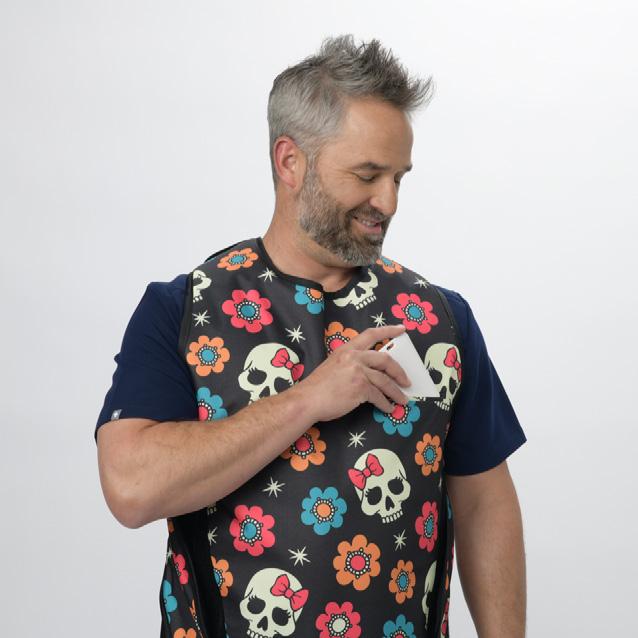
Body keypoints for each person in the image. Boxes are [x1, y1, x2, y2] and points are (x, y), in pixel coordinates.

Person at [95, 34, 527, 638]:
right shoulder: (183, 311)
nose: (388, 202)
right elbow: (131, 487)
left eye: (399, 178)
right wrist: (308, 399)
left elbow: (484, 502)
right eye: (368, 174)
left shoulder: (440, 321)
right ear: (290, 162)